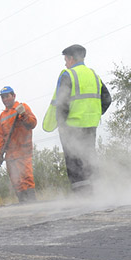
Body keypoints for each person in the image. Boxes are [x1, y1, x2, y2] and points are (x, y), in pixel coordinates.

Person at [42, 44, 111, 192]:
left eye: (66, 60)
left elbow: (62, 104)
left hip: (72, 128)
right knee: (89, 161)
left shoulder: (69, 75)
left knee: (74, 164)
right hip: (91, 126)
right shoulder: (94, 75)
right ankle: (96, 195)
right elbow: (107, 99)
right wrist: (95, 114)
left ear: (71, 59)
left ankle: (81, 200)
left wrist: (62, 125)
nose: (65, 64)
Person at [0, 86, 38, 203]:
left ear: (14, 96)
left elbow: (33, 123)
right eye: (3, 97)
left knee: (26, 177)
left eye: (7, 96)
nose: (5, 99)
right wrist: (0, 154)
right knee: (16, 181)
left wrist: (24, 115)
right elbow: (0, 137)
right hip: (10, 154)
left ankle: (32, 203)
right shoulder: (2, 117)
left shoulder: (23, 107)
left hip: (23, 150)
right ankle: (23, 204)